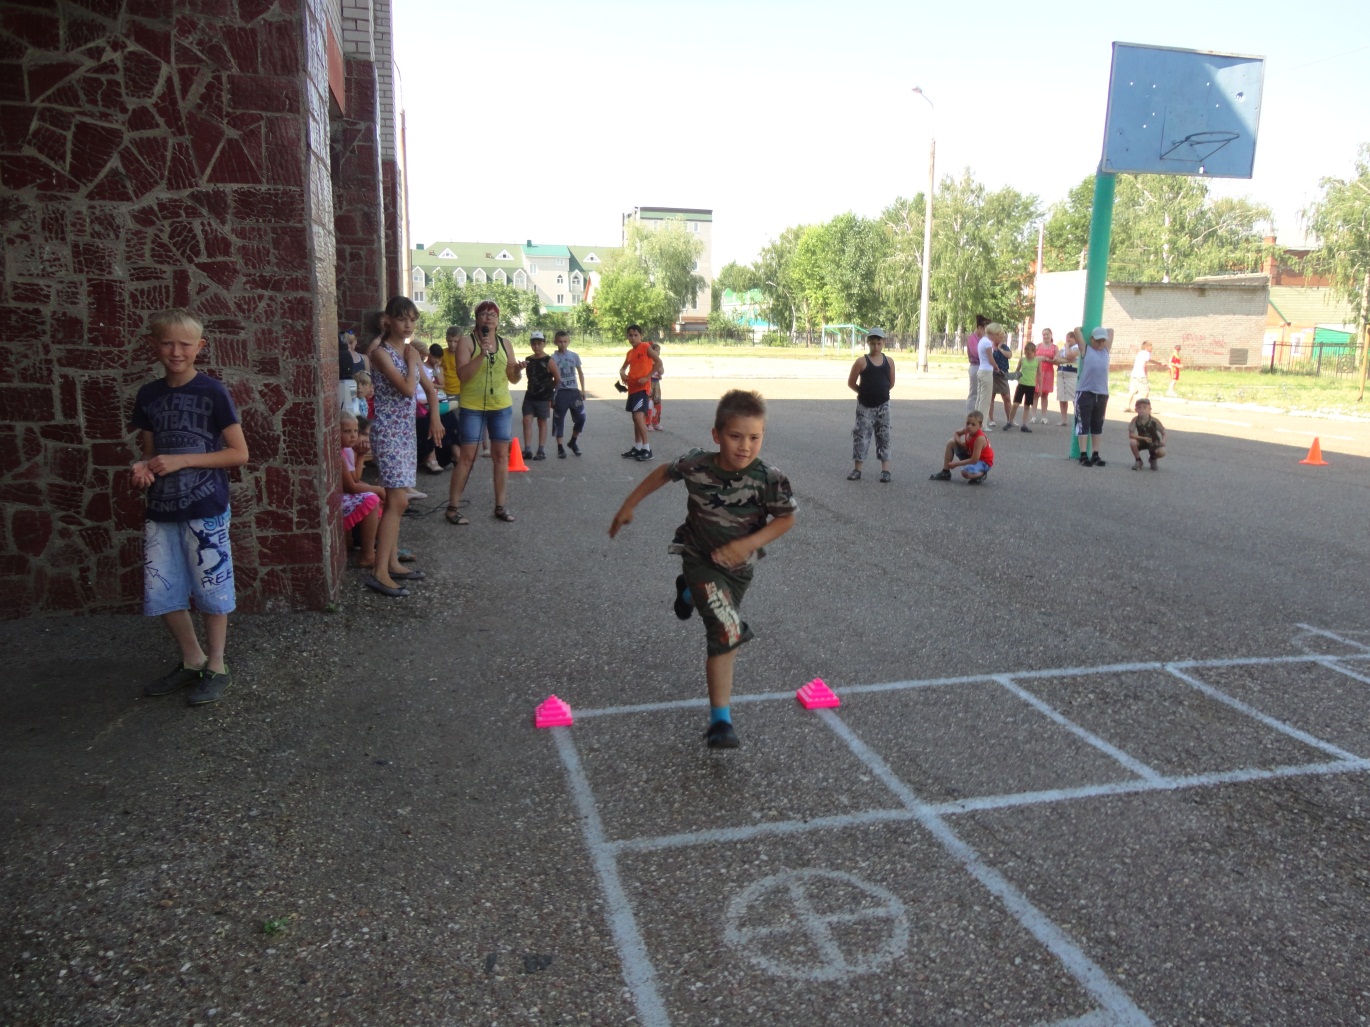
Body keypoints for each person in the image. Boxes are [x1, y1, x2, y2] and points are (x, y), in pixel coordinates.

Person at [609, 389, 797, 749]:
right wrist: (628, 505)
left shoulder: (768, 478)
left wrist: (747, 544)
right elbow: (663, 473)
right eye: (735, 436)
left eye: (754, 438)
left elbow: (786, 519)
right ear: (716, 435)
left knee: (720, 622)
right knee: (725, 630)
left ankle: (686, 594)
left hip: (739, 569)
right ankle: (720, 721)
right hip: (698, 557)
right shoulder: (697, 465)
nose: (745, 446)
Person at [130, 308, 250, 705]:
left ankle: (217, 665)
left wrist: (182, 461)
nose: (176, 351)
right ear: (154, 345)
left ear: (200, 347)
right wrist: (143, 468)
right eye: (167, 343)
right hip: (161, 509)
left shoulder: (212, 392)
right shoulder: (148, 395)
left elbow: (238, 453)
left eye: (185, 344)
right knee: (163, 589)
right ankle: (191, 658)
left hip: (206, 507)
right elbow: (150, 453)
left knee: (212, 587)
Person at [365, 297, 443, 594]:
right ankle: (379, 571)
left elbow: (430, 391)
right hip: (387, 432)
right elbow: (409, 388)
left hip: (405, 432)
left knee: (398, 499)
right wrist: (413, 362)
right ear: (388, 321)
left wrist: (435, 419)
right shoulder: (381, 354)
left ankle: (392, 562)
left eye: (412, 318)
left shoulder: (407, 350)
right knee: (397, 500)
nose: (408, 324)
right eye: (402, 319)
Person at [445, 298, 524, 524]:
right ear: (477, 319)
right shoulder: (466, 343)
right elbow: (463, 376)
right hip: (473, 407)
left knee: (501, 456)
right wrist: (482, 354)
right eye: (483, 314)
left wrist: (517, 371)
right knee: (467, 457)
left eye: (492, 315)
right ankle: (452, 507)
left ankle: (500, 506)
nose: (488, 318)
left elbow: (512, 378)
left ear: (498, 321)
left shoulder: (505, 343)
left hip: (501, 406)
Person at [846, 326, 896, 482]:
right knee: (861, 436)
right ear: (868, 343)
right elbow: (851, 382)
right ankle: (857, 469)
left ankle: (885, 470)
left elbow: (891, 382)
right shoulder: (861, 362)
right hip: (865, 406)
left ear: (883, 343)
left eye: (879, 343)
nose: (876, 346)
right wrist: (863, 392)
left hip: (883, 405)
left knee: (884, 436)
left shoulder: (888, 361)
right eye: (873, 343)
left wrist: (880, 392)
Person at [339, 411, 383, 568]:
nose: (353, 436)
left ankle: (382, 546)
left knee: (376, 494)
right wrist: (376, 489)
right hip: (338, 499)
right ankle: (367, 555)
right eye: (347, 431)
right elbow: (351, 486)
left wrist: (361, 455)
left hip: (344, 494)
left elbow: (355, 478)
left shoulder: (346, 450)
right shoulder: (339, 453)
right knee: (371, 498)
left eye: (355, 431)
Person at [619, 324, 663, 461]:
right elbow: (623, 368)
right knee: (635, 419)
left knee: (639, 418)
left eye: (635, 335)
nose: (632, 337)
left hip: (642, 389)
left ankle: (647, 448)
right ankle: (637, 447)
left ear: (641, 336)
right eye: (630, 335)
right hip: (632, 389)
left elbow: (658, 362)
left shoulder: (645, 347)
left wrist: (648, 377)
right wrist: (622, 374)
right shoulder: (630, 353)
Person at [1076, 326, 1113, 467]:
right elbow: (1076, 331)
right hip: (1085, 392)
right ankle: (1083, 453)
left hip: (1102, 393)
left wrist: (1102, 332)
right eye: (1097, 340)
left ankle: (1095, 453)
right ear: (1091, 339)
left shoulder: (1105, 351)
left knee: (1097, 424)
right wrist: (1083, 330)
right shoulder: (1086, 350)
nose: (1100, 344)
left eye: (1103, 341)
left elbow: (1111, 331)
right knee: (1083, 423)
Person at [520, 331, 560, 461]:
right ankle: (527, 449)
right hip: (530, 396)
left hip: (543, 397)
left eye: (539, 344)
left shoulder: (549, 360)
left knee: (542, 422)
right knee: (526, 421)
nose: (536, 347)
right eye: (533, 344)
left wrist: (550, 389)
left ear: (544, 344)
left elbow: (557, 378)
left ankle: (541, 450)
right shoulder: (529, 360)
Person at [928, 410, 994, 484]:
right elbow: (956, 433)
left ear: (980, 426)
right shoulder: (967, 430)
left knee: (965, 472)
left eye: (973, 424)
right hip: (971, 454)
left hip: (983, 461)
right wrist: (960, 443)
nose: (969, 426)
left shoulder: (979, 438)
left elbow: (974, 460)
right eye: (968, 423)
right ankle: (945, 472)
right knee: (951, 442)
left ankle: (981, 474)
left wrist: (956, 464)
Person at [551, 330, 587, 458]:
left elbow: (580, 373)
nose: (563, 344)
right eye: (560, 342)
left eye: (565, 341)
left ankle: (573, 441)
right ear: (555, 342)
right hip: (561, 392)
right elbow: (550, 378)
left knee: (581, 418)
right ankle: (560, 447)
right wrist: (551, 395)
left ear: (569, 341)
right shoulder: (553, 359)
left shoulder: (574, 356)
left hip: (574, 391)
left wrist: (582, 390)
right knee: (559, 419)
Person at [1004, 341, 1040, 431]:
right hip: (1021, 384)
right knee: (1016, 403)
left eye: (1029, 353)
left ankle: (1024, 424)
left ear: (1034, 352)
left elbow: (1039, 374)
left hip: (1031, 385)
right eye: (1026, 353)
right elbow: (1017, 370)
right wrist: (1015, 376)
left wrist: (1040, 387)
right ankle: (1010, 421)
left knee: (1027, 406)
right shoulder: (1022, 360)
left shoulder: (1037, 361)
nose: (1027, 355)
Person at [1128, 399, 1167, 470]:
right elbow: (1131, 435)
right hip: (1142, 441)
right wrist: (1143, 438)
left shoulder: (1154, 421)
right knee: (1132, 442)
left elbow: (1163, 432)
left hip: (1153, 442)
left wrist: (1163, 440)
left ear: (1150, 409)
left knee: (1162, 452)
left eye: (1145, 407)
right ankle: (1138, 460)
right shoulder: (1135, 420)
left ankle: (1153, 458)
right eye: (1139, 407)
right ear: (1136, 409)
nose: (1142, 409)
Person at [1125, 340, 1162, 412]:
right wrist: (1145, 374)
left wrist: (1158, 363)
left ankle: (1127, 406)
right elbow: (1144, 364)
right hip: (1141, 375)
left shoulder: (1140, 353)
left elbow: (1149, 360)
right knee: (1146, 391)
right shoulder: (1146, 353)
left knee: (1132, 391)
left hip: (1134, 375)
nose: (1152, 348)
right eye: (1151, 347)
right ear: (1147, 347)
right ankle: (1143, 408)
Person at [1055, 328, 1081, 427]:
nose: (1068, 341)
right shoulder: (1063, 349)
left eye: (1070, 339)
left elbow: (1070, 355)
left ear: (1075, 339)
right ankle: (1063, 419)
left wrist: (1066, 348)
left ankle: (1078, 419)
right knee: (1062, 397)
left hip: (1072, 375)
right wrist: (1066, 360)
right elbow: (1056, 358)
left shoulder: (1077, 347)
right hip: (1062, 374)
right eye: (1067, 339)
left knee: (1075, 398)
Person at [975, 323, 1000, 427]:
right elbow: (991, 359)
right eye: (997, 334)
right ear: (993, 333)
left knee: (980, 398)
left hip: (981, 370)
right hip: (987, 372)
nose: (997, 337)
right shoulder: (988, 343)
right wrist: (997, 367)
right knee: (986, 400)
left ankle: (975, 421)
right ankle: (982, 424)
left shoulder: (982, 341)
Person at [1032, 328, 1057, 424]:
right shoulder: (1037, 346)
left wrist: (1046, 359)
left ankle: (1044, 416)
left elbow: (1056, 360)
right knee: (1035, 394)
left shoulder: (1054, 347)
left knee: (1045, 395)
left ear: (1051, 335)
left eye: (1047, 334)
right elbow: (1031, 357)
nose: (1046, 336)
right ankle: (1033, 416)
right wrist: (1038, 358)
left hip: (1048, 372)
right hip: (1037, 372)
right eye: (1044, 335)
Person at [966, 314, 989, 412]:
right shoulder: (972, 338)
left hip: (984, 367)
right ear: (980, 328)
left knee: (982, 394)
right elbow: (975, 353)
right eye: (986, 329)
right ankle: (970, 415)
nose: (987, 332)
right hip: (976, 367)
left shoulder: (984, 339)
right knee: (974, 393)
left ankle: (979, 418)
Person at [991, 333, 1014, 429]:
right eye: (1000, 337)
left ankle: (1010, 420)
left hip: (1003, 375)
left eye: (1003, 338)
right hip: (992, 375)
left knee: (1007, 398)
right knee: (991, 397)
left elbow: (1009, 356)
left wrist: (1000, 349)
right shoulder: (990, 347)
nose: (1002, 339)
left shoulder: (1005, 347)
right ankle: (991, 419)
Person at [647, 341, 665, 430]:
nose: (658, 352)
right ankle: (647, 423)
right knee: (649, 402)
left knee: (657, 402)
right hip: (649, 382)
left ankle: (656, 422)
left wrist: (657, 363)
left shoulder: (658, 361)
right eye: (656, 350)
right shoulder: (648, 360)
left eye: (659, 350)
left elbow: (662, 371)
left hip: (656, 383)